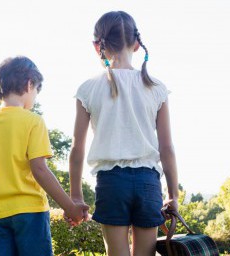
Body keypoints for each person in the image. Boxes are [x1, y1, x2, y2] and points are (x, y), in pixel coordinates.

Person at [68, 11, 180, 256]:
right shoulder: (156, 88)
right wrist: (172, 195)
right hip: (148, 183)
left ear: (97, 45)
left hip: (111, 183)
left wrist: (75, 196)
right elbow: (167, 148)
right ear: (137, 44)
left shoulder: (87, 89)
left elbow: (77, 148)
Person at [0, 56, 88, 256]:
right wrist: (69, 207)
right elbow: (39, 169)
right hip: (30, 213)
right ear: (29, 84)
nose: (34, 98)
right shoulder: (33, 121)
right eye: (36, 91)